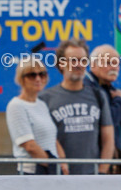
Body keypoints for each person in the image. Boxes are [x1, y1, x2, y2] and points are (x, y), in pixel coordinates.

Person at [38, 41, 115, 175]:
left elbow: (108, 138)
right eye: (73, 60)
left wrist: (102, 172)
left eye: (83, 60)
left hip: (91, 178)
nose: (78, 65)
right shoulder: (45, 98)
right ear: (61, 63)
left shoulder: (98, 96)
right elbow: (41, 139)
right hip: (57, 178)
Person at [5, 57, 67, 175]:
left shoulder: (42, 104)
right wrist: (55, 166)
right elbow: (29, 146)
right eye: (32, 75)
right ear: (21, 79)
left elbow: (52, 139)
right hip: (32, 172)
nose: (38, 79)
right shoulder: (16, 106)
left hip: (50, 170)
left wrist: (63, 163)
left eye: (42, 74)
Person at [89, 44, 121, 173]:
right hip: (99, 166)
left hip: (119, 165)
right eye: (108, 62)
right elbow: (109, 121)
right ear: (93, 64)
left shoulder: (112, 91)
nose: (114, 67)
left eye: (116, 63)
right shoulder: (88, 90)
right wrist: (119, 102)